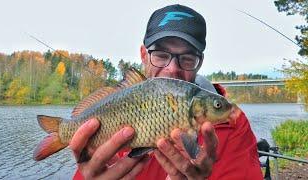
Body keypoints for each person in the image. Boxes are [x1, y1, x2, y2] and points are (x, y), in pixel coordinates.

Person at [70, 4, 263, 180]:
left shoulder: (233, 126)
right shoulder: (117, 114)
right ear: (144, 55)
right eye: (161, 55)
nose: (172, 69)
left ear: (199, 63)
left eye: (186, 58)